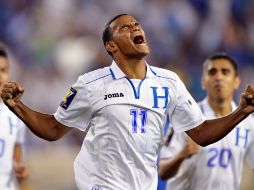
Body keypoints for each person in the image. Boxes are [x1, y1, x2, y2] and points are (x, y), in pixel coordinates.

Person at [1, 14, 254, 190]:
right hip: (101, 184)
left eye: (137, 25)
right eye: (125, 27)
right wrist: (17, 106)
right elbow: (53, 129)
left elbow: (200, 133)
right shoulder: (92, 84)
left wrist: (242, 111)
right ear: (111, 46)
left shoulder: (169, 82)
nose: (135, 28)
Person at [158, 53, 254, 190]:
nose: (218, 77)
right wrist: (181, 155)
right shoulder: (185, 117)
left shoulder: (249, 124)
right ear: (203, 81)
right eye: (212, 72)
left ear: (236, 81)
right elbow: (162, 172)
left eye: (225, 72)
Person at [0, 46, 28, 190]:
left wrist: (19, 170)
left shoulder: (15, 115)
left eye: (3, 70)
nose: (0, 76)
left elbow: (16, 161)